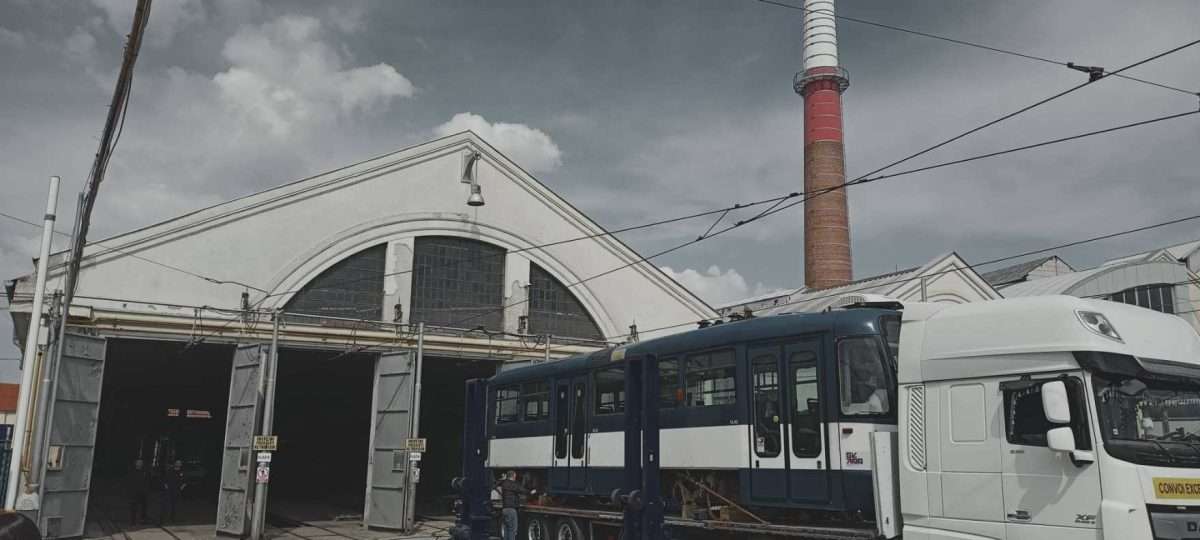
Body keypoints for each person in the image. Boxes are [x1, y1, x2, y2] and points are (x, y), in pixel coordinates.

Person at [493, 470, 536, 540]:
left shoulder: (504, 483)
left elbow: (494, 485)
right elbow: (522, 490)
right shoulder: (513, 484)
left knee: (506, 529)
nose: (515, 477)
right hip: (511, 510)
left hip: (504, 509)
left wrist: (501, 483)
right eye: (515, 476)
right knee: (512, 530)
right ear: (513, 476)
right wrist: (530, 492)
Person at [126, 459, 152, 525]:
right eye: (138, 463)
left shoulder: (145, 472)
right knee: (133, 506)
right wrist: (130, 491)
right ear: (135, 464)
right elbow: (129, 481)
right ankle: (133, 520)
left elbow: (148, 481)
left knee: (144, 506)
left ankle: (143, 520)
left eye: (140, 463)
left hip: (143, 492)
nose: (139, 464)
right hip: (134, 492)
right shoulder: (132, 471)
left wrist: (146, 490)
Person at [159, 460, 186, 525]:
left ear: (181, 465)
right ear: (175, 464)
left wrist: (182, 487)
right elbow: (164, 480)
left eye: (179, 463)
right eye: (177, 463)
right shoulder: (170, 471)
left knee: (175, 506)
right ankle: (163, 519)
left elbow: (185, 481)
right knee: (166, 505)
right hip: (169, 490)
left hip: (177, 491)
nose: (178, 464)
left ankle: (173, 519)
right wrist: (166, 487)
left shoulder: (182, 472)